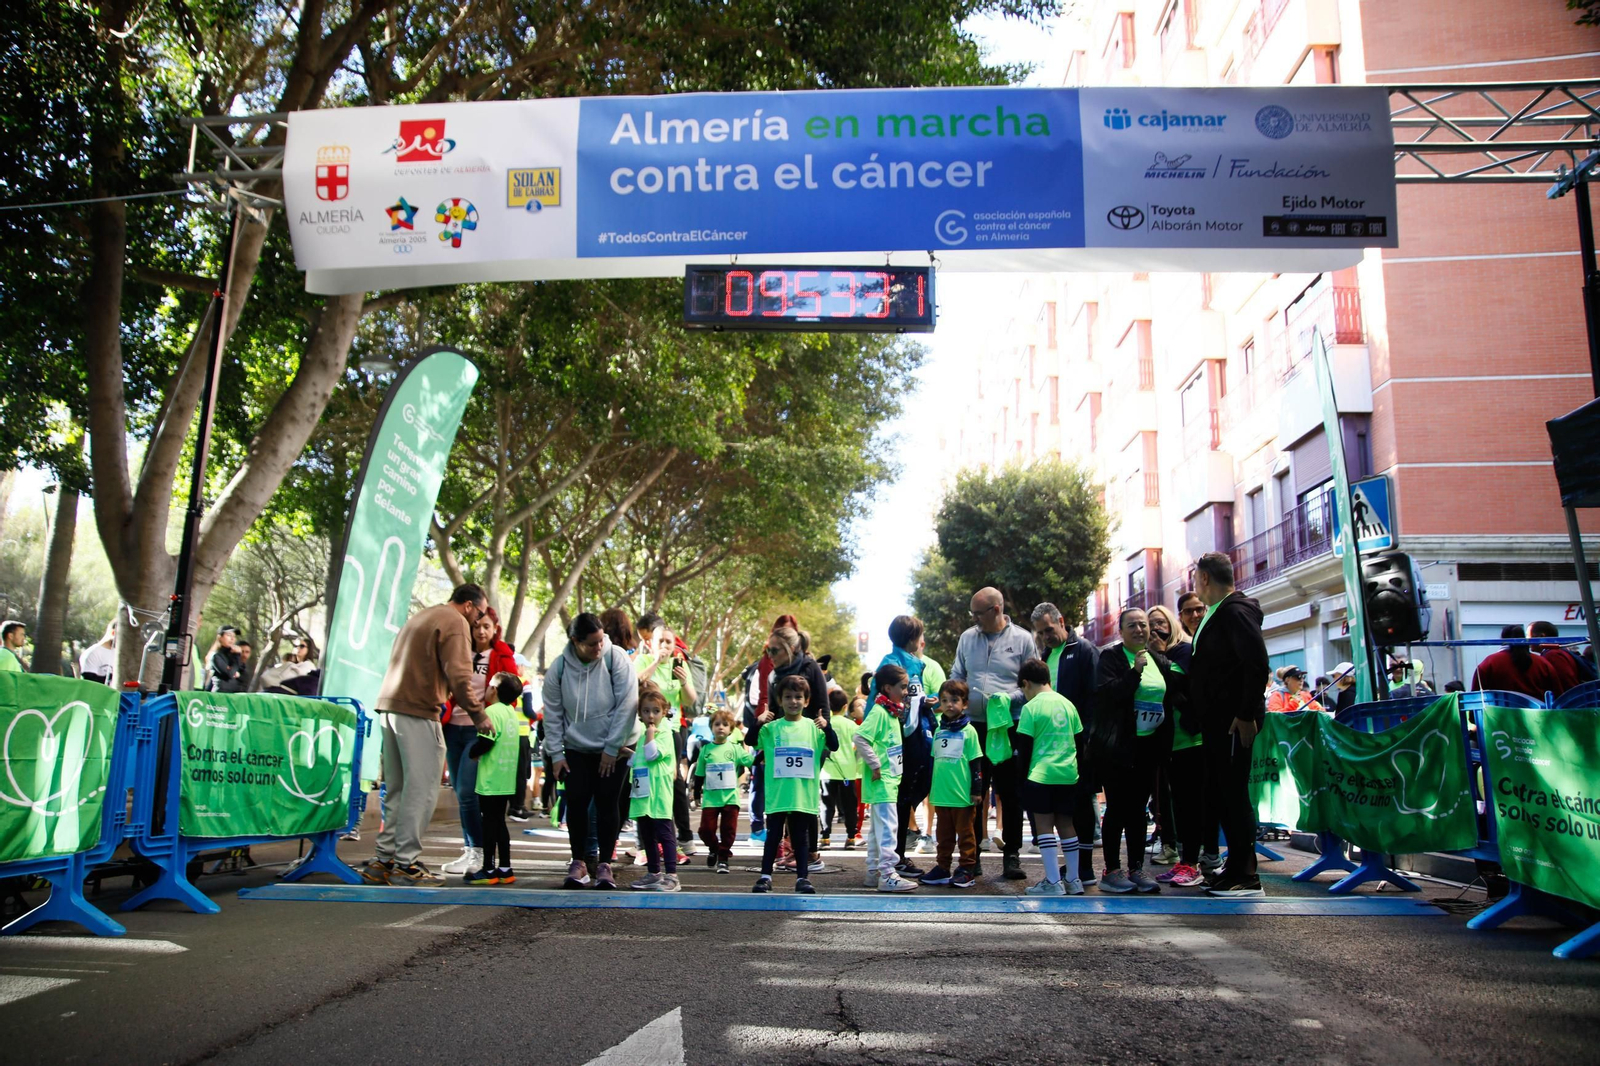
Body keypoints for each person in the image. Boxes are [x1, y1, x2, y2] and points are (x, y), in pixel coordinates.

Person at [362, 584, 490, 888]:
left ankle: (384, 861)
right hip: (419, 709)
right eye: (480, 614)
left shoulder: (423, 616)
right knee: (421, 790)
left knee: (397, 789)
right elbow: (460, 675)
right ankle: (407, 865)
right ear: (470, 605)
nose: (478, 622)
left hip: (391, 707)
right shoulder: (455, 621)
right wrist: (478, 715)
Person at [1187, 552, 1270, 898]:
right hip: (1219, 722)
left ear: (1204, 578)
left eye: (1195, 579)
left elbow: (1256, 662)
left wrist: (1247, 713)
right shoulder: (1220, 613)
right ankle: (1235, 866)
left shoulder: (1234, 611)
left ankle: (1246, 874)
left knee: (1234, 795)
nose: (1194, 585)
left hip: (1235, 721)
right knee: (1222, 794)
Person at [543, 612, 639, 890]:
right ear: (575, 641)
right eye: (592, 644)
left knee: (608, 802)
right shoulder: (559, 668)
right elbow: (553, 714)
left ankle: (605, 864)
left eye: (601, 641)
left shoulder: (616, 658)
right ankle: (579, 862)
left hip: (616, 745)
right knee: (576, 801)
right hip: (577, 746)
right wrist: (556, 754)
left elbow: (627, 704)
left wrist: (611, 749)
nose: (599, 647)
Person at [950, 586, 1037, 882]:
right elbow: (957, 675)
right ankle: (971, 857)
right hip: (973, 725)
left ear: (996, 610)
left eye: (978, 613)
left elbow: (1032, 684)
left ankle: (1011, 854)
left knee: (1010, 792)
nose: (974, 619)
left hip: (1009, 725)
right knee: (974, 792)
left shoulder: (1023, 639)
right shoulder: (967, 638)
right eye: (972, 613)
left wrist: (1006, 697)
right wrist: (952, 700)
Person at [1093, 608, 1183, 894]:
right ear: (1121, 631)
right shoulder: (1111, 657)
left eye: (1143, 625)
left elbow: (1172, 696)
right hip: (1119, 747)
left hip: (1149, 747)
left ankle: (1136, 868)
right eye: (1132, 625)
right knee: (1118, 808)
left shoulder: (1159, 660)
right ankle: (1111, 870)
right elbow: (1108, 695)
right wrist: (1134, 672)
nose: (1139, 630)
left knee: (1137, 811)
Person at [441, 606, 520, 876]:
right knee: (460, 791)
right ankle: (472, 851)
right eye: (476, 626)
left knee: (466, 791)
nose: (481, 631)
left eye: (486, 626)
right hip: (453, 727)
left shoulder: (500, 656)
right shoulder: (459, 650)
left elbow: (513, 688)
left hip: (479, 728)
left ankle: (479, 853)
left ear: (494, 628)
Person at [1032, 602, 1100, 882]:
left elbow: (1096, 698)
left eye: (1049, 629)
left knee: (1083, 804)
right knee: (1065, 808)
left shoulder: (1084, 650)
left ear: (1062, 620)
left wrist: (1088, 741)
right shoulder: (1046, 657)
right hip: (1052, 748)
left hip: (1080, 743)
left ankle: (1085, 868)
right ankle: (1074, 867)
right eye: (1041, 633)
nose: (1046, 636)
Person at [752, 674, 838, 894]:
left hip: (803, 795)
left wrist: (827, 727)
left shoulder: (813, 727)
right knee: (773, 836)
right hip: (778, 794)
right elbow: (750, 741)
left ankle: (802, 878)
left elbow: (834, 745)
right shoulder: (771, 728)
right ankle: (765, 876)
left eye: (798, 697)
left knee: (801, 838)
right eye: (788, 697)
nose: (793, 701)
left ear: (806, 701)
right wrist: (759, 722)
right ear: (780, 700)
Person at [865, 615, 937, 877]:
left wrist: (924, 703)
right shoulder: (892, 665)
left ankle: (889, 861)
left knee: (908, 795)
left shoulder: (914, 665)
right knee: (891, 806)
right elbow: (883, 707)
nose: (922, 641)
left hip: (912, 738)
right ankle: (888, 865)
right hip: (895, 744)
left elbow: (911, 700)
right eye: (920, 636)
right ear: (911, 639)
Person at [1151, 601, 1211, 887]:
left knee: (1192, 805)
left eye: (1160, 623)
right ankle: (1185, 862)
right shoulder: (1151, 658)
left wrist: (1161, 656)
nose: (1155, 630)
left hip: (1191, 739)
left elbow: (1178, 685)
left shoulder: (1183, 651)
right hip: (1168, 743)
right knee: (1178, 806)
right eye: (1150, 625)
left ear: (1172, 624)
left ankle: (1195, 863)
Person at [1015, 657, 1087, 896]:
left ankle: (1053, 881)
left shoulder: (1030, 708)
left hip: (1041, 775)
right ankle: (1074, 880)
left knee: (1044, 826)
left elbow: (1024, 749)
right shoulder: (1068, 704)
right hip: (1068, 774)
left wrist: (1021, 780)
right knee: (1067, 824)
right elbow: (1080, 742)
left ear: (1026, 683)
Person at [855, 662, 917, 892]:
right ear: (887, 688)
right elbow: (860, 737)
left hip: (888, 782)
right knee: (889, 828)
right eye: (902, 687)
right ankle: (888, 873)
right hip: (883, 782)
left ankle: (873, 871)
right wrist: (875, 765)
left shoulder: (891, 712)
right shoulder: (880, 712)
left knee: (877, 829)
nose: (905, 691)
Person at [918, 679, 983, 889]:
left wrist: (976, 790)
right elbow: (933, 761)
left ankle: (967, 869)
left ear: (964, 704)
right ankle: (942, 867)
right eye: (945, 700)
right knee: (943, 835)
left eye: (955, 700)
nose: (949, 705)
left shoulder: (969, 731)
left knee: (966, 835)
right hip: (941, 795)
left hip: (962, 796)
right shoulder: (939, 731)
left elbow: (976, 762)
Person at [466, 671, 526, 885]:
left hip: (490, 780)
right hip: (506, 778)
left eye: (491, 684)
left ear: (495, 690)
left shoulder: (491, 712)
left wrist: (472, 753)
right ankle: (505, 868)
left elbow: (486, 741)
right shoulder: (511, 713)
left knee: (489, 824)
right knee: (499, 823)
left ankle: (489, 869)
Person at [629, 682, 682, 892]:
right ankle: (653, 873)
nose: (651, 716)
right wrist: (629, 755)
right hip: (643, 793)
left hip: (659, 794)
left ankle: (672, 875)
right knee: (646, 834)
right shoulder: (644, 735)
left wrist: (650, 733)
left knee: (665, 833)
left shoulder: (663, 733)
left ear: (665, 712)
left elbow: (653, 754)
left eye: (656, 711)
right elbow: (642, 758)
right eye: (646, 711)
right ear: (639, 713)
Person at [693, 708, 753, 874]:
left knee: (729, 830)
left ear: (731, 729)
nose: (721, 727)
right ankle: (715, 848)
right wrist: (696, 793)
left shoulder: (734, 749)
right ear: (711, 727)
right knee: (705, 830)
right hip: (711, 799)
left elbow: (751, 761)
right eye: (717, 724)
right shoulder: (706, 750)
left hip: (730, 799)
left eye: (725, 725)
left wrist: (764, 758)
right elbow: (699, 774)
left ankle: (723, 858)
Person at [820, 688, 861, 848]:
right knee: (850, 806)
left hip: (827, 772)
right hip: (847, 772)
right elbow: (860, 745)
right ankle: (851, 837)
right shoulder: (851, 725)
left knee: (826, 805)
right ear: (845, 707)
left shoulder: (824, 724)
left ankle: (825, 838)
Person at [1472, 625, 1560, 699]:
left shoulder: (1489, 663)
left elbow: (1475, 698)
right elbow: (1557, 695)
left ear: (1502, 640)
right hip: (1539, 718)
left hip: (1499, 718)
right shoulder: (1543, 664)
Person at [1531, 620, 1595, 693]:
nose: (1527, 640)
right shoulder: (1558, 652)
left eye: (1530, 636)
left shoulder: (1553, 655)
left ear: (1542, 636)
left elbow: (1568, 684)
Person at [258, 636, 322, 696]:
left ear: (309, 649)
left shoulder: (309, 665)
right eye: (296, 646)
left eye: (302, 646)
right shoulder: (292, 665)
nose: (298, 648)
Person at [206, 625, 245, 692]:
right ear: (220, 637)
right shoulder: (216, 656)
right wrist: (237, 656)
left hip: (234, 695)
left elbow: (243, 675)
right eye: (229, 635)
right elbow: (229, 674)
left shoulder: (233, 655)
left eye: (234, 636)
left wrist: (234, 670)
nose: (232, 638)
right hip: (220, 694)